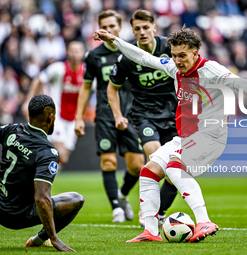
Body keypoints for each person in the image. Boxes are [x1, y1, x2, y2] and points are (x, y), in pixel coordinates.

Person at [93, 26, 247, 242]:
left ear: (195, 52)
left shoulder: (212, 71)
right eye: (173, 55)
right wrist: (115, 40)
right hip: (184, 137)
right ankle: (151, 231)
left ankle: (204, 221)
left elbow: (242, 84)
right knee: (148, 172)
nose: (177, 61)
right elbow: (143, 57)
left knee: (174, 167)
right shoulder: (174, 68)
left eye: (182, 56)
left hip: (210, 136)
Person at [107, 9, 178, 226]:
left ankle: (160, 211)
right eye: (137, 28)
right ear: (133, 31)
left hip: (173, 115)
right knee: (156, 158)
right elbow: (112, 89)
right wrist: (118, 115)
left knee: (178, 170)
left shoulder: (169, 48)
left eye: (146, 27)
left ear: (154, 28)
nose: (142, 32)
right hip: (144, 115)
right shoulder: (127, 56)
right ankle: (147, 211)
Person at [74, 10, 144, 223]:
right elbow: (86, 88)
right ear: (100, 29)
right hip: (104, 115)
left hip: (129, 114)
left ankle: (122, 195)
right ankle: (116, 208)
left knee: (137, 165)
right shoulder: (94, 56)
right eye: (105, 26)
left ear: (120, 27)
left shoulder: (132, 51)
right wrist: (78, 117)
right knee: (108, 162)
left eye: (113, 26)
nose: (110, 30)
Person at [0, 94, 84, 251]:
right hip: (16, 215)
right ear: (50, 117)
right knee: (76, 199)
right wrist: (54, 238)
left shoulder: (11, 129)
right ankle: (40, 239)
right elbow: (41, 198)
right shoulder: (48, 153)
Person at [22, 40, 85, 167]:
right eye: (72, 50)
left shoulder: (86, 72)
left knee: (64, 157)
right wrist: (28, 100)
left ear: (83, 53)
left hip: (74, 119)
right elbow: (39, 79)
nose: (75, 53)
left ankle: (42, 172)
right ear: (67, 52)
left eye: (78, 50)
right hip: (57, 117)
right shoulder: (58, 68)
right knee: (60, 152)